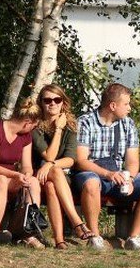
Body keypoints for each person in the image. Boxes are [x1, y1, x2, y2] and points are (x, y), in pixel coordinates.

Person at [74, 83, 140, 251]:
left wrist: (130, 178)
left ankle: (134, 237)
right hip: (92, 172)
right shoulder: (85, 122)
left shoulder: (128, 124)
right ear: (113, 106)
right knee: (91, 182)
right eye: (126, 104)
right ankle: (95, 237)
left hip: (118, 175)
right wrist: (107, 174)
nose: (129, 108)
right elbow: (81, 160)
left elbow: (132, 161)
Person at [32, 84, 104, 248]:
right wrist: (58, 129)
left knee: (51, 184)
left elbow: (71, 159)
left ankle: (59, 240)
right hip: (37, 175)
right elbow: (49, 155)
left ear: (63, 102)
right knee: (55, 174)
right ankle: (77, 222)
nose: (52, 103)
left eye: (57, 100)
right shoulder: (36, 127)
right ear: (41, 103)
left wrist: (50, 165)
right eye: (47, 100)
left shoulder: (70, 126)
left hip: (60, 177)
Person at [0, 98, 45, 248]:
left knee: (33, 182)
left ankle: (27, 231)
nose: (33, 129)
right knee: (1, 180)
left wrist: (26, 175)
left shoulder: (26, 136)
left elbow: (27, 165)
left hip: (10, 176)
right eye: (34, 126)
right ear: (27, 122)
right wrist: (16, 175)